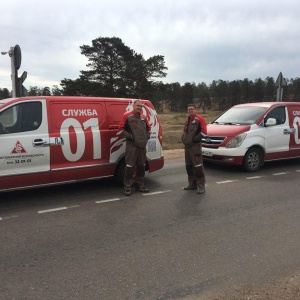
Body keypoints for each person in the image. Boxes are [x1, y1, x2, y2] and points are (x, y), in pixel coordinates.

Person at [118, 100, 151, 196]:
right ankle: (127, 187)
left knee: (141, 166)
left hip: (142, 146)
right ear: (133, 106)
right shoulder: (127, 116)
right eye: (138, 105)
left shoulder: (143, 117)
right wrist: (132, 137)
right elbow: (120, 130)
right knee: (129, 166)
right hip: (132, 146)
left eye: (141, 106)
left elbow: (148, 129)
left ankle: (140, 185)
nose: (139, 107)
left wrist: (146, 137)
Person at [182, 104, 207, 194]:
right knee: (188, 166)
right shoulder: (187, 119)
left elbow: (204, 133)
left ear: (195, 110)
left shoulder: (200, 119)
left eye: (192, 109)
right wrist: (183, 139)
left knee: (197, 166)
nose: (190, 111)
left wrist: (193, 140)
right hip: (187, 147)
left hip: (195, 147)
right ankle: (192, 184)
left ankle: (201, 186)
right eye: (189, 109)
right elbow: (185, 131)